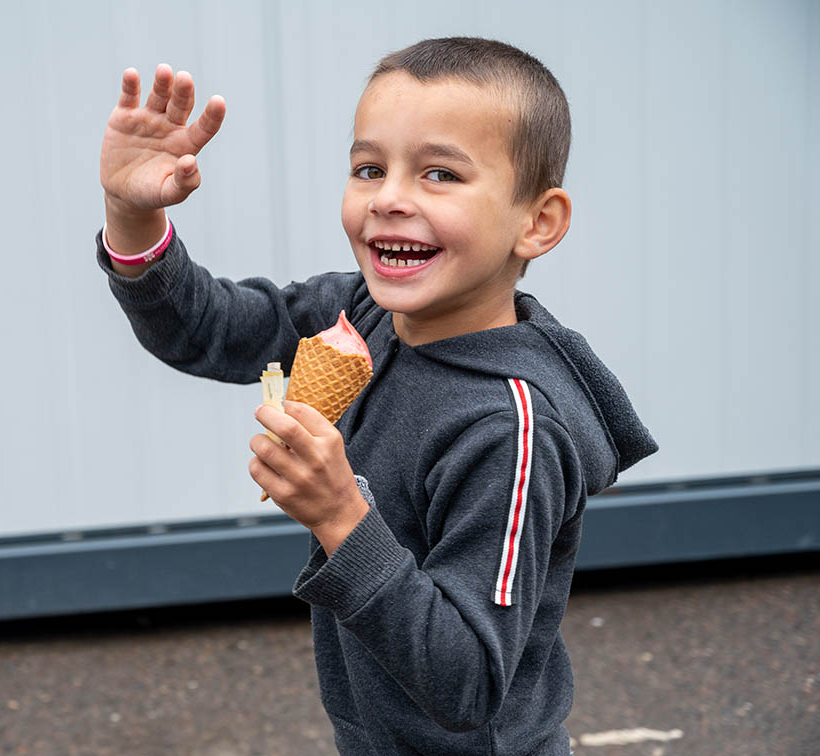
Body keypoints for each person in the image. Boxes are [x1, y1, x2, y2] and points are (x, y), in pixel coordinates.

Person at [95, 37, 657, 756]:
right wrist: (132, 213)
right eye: (369, 168)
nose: (389, 198)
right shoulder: (357, 313)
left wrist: (340, 517)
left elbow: (467, 684)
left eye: (440, 174)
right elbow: (204, 331)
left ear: (537, 222)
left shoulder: (512, 431)